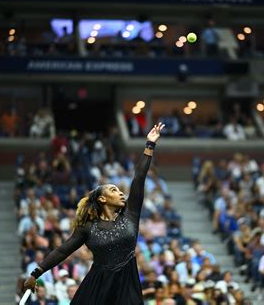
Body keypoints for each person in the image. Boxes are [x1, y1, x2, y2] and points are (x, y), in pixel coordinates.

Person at [24, 122, 165, 304]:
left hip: (127, 287)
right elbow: (62, 250)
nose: (120, 192)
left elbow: (139, 177)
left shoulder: (131, 214)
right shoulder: (87, 228)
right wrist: (36, 273)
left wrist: (150, 145)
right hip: (98, 287)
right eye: (113, 190)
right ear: (102, 199)